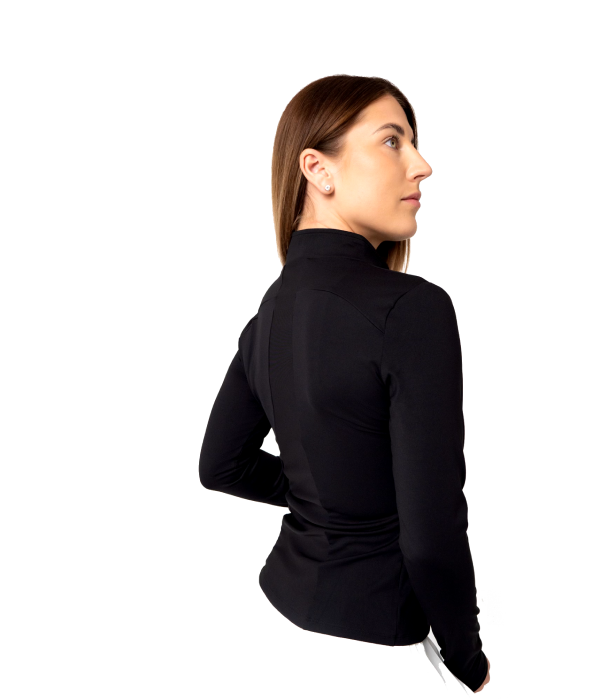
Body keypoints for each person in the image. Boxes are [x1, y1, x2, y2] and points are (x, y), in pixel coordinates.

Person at [199, 74, 490, 694]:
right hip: (378, 636)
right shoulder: (412, 308)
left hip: (278, 604)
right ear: (318, 169)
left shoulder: (269, 311)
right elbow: (432, 535)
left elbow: (220, 465)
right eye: (392, 141)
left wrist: (333, 496)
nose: (422, 166)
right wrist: (468, 659)